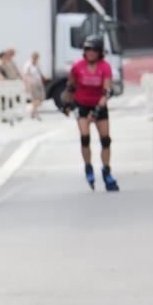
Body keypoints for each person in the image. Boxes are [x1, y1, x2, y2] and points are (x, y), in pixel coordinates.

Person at [64, 35, 119, 191]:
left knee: (105, 140)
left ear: (99, 52)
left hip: (98, 105)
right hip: (82, 105)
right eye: (87, 49)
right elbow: (71, 86)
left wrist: (96, 111)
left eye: (94, 50)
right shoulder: (78, 67)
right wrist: (67, 104)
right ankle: (88, 166)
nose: (90, 52)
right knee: (85, 137)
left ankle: (106, 171)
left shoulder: (104, 67)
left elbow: (106, 91)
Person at [22, 51, 46, 120]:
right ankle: (35, 113)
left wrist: (43, 77)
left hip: (39, 82)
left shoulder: (37, 64)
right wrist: (26, 85)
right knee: (35, 99)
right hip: (32, 83)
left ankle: (32, 111)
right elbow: (25, 74)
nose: (36, 59)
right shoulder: (28, 65)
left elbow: (40, 73)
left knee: (41, 98)